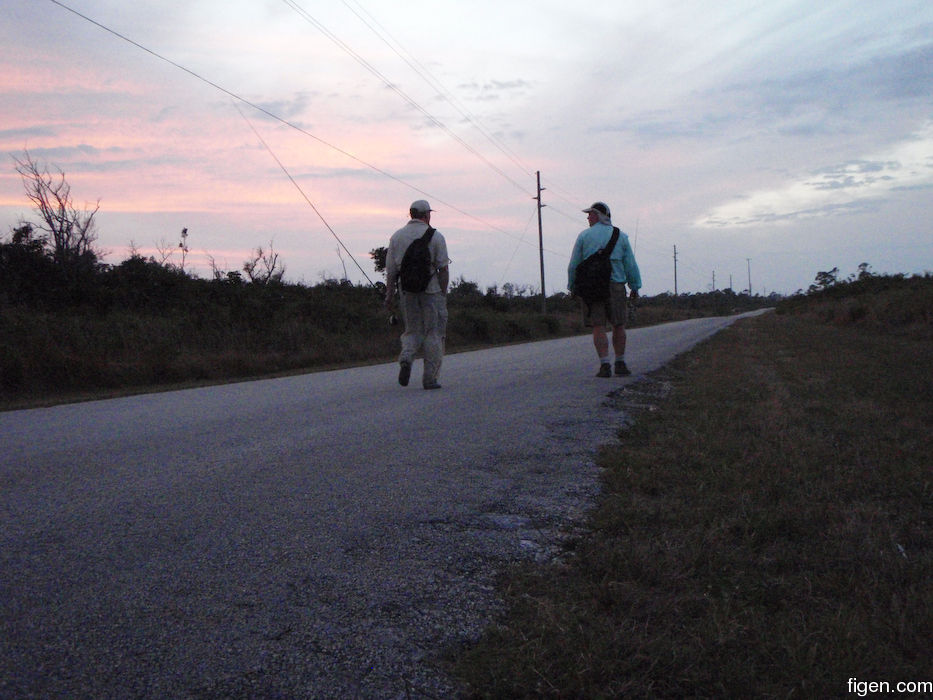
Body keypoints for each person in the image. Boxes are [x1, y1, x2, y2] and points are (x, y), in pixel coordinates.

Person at [568, 201, 642, 377]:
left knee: (598, 326)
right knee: (619, 325)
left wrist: (572, 287)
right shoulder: (621, 236)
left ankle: (604, 365)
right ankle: (620, 362)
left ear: (600, 216)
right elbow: (630, 264)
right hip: (616, 286)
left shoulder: (584, 236)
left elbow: (573, 265)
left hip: (592, 288)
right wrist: (635, 286)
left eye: (591, 214)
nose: (588, 217)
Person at [385, 200, 450, 390]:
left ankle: (406, 357)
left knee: (412, 330)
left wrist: (389, 295)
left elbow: (391, 271)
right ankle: (430, 378)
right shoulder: (436, 236)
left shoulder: (397, 237)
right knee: (434, 334)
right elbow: (443, 269)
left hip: (407, 292)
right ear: (426, 215)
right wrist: (443, 294)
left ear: (411, 214)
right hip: (431, 292)